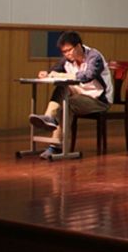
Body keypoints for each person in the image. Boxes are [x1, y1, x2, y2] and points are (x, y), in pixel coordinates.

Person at [28, 31, 113, 159]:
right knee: (61, 88)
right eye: (64, 52)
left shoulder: (94, 56)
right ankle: (49, 118)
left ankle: (56, 147)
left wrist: (61, 75)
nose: (67, 54)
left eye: (69, 50)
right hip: (80, 94)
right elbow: (55, 69)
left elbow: (87, 76)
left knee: (68, 103)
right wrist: (47, 73)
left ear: (78, 46)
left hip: (98, 99)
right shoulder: (67, 59)